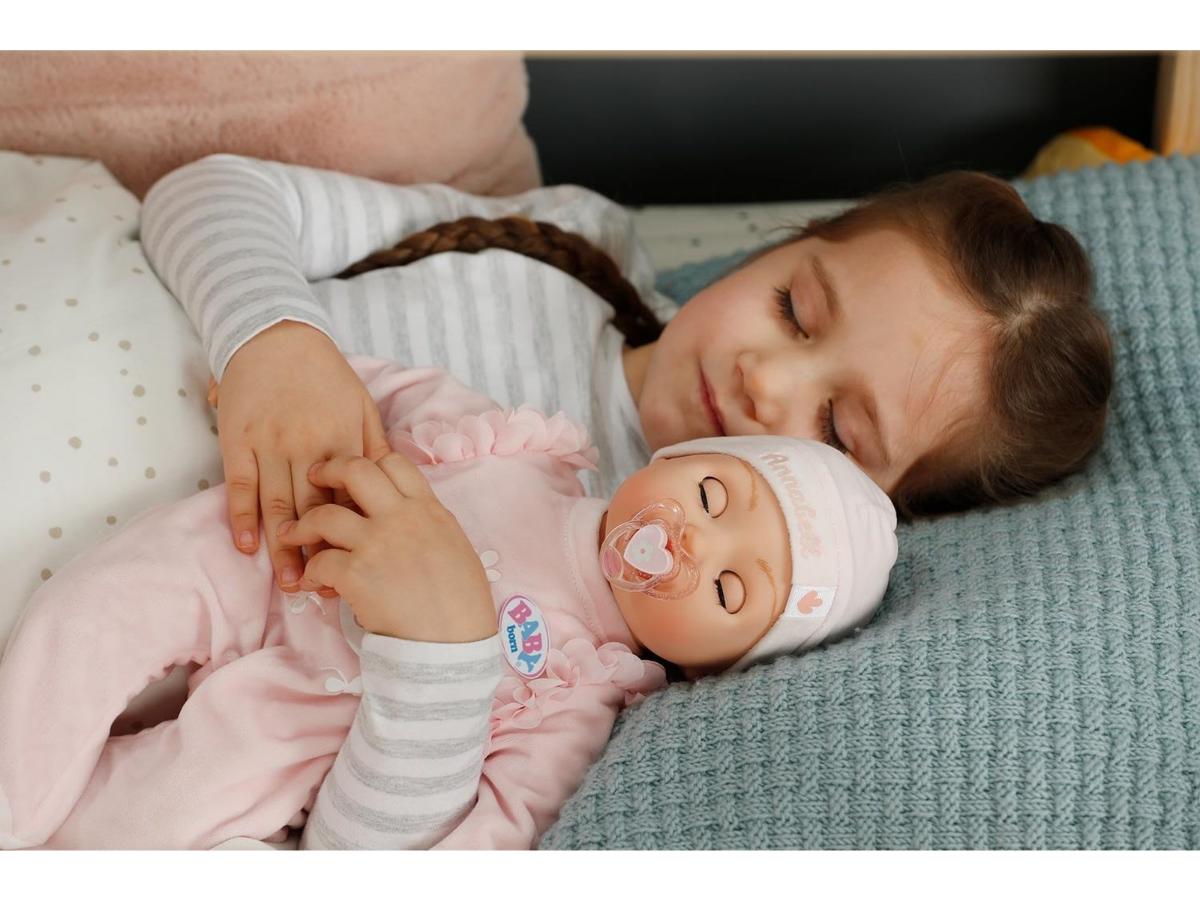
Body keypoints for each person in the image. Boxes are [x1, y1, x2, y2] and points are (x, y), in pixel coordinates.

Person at [0, 356, 898, 850]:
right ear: (681, 459)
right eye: (711, 495)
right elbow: (357, 393)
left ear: (719, 665)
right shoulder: (517, 445)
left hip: (289, 734)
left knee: (144, 824)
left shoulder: (577, 706)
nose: (695, 544)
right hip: (262, 554)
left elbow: (461, 848)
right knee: (94, 616)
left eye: (732, 589)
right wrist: (268, 377)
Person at [138, 154, 1112, 602]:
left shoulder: (632, 581)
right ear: (780, 244)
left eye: (837, 430)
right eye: (793, 308)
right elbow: (209, 191)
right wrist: (274, 340)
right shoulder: (567, 245)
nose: (767, 382)